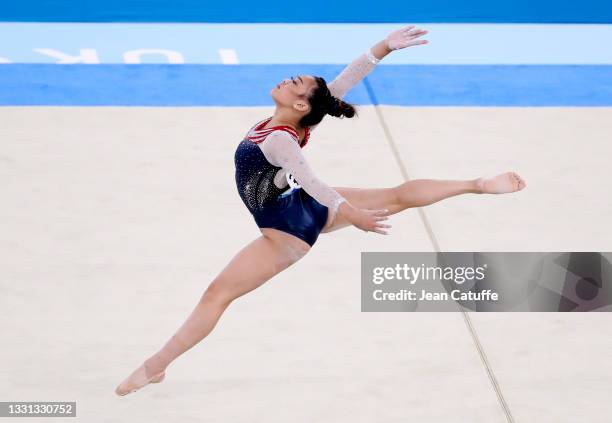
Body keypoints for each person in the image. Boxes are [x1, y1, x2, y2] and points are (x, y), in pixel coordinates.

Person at [115, 24, 526, 396]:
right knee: (396, 195)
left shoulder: (281, 140)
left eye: (294, 82)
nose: (285, 79)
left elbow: (311, 179)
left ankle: (154, 367)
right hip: (298, 208)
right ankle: (477, 185)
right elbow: (343, 82)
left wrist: (352, 212)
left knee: (216, 296)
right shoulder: (301, 121)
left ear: (298, 105)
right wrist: (382, 48)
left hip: (285, 231)